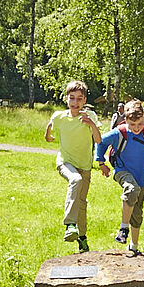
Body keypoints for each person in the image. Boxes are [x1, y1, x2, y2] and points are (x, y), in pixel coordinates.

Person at [95, 99, 144, 255]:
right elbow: (101, 142)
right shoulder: (120, 132)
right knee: (131, 189)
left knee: (137, 214)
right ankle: (123, 229)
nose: (136, 128)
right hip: (122, 171)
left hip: (141, 178)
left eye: (140, 124)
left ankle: (134, 246)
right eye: (132, 124)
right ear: (125, 119)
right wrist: (101, 162)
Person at [45, 80, 102, 253]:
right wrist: (48, 135)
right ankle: (69, 224)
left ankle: (82, 239)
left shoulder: (90, 116)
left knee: (82, 203)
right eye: (72, 98)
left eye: (79, 99)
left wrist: (91, 125)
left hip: (85, 165)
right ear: (66, 99)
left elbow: (99, 140)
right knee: (75, 180)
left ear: (84, 100)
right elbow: (50, 124)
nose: (75, 102)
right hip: (65, 162)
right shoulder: (59, 117)